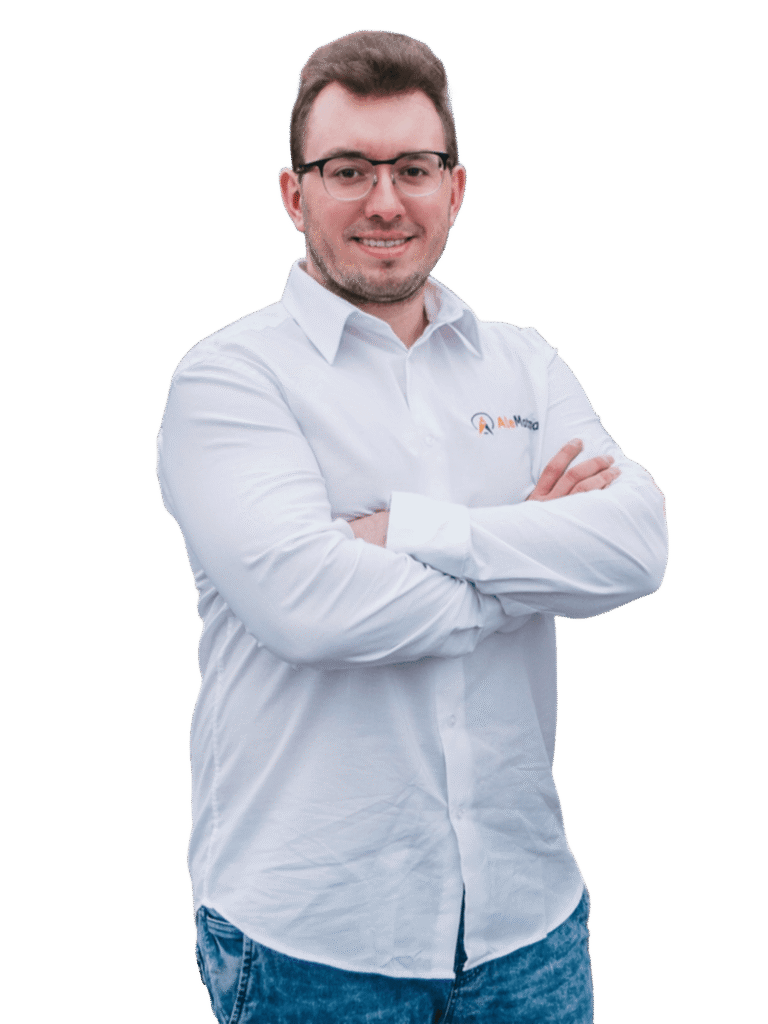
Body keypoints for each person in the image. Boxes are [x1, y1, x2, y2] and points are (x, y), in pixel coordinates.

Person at [157, 29, 667, 1024]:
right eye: (348, 170)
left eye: (414, 169)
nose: (385, 201)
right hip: (314, 941)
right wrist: (528, 555)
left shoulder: (524, 364)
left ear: (455, 188)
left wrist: (404, 531)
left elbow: (637, 544)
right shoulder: (230, 380)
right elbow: (310, 608)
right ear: (293, 193)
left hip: (529, 924)